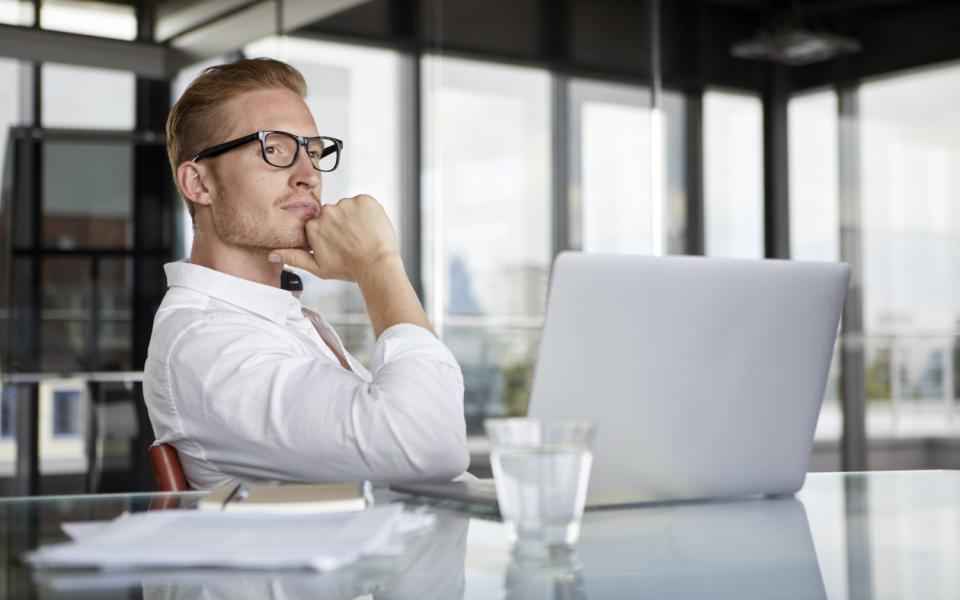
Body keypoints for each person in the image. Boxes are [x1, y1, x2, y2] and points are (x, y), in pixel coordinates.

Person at [143, 58, 469, 489]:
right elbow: (428, 445)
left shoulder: (276, 319)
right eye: (274, 149)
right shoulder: (209, 343)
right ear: (199, 183)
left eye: (314, 152)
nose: (310, 176)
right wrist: (377, 264)